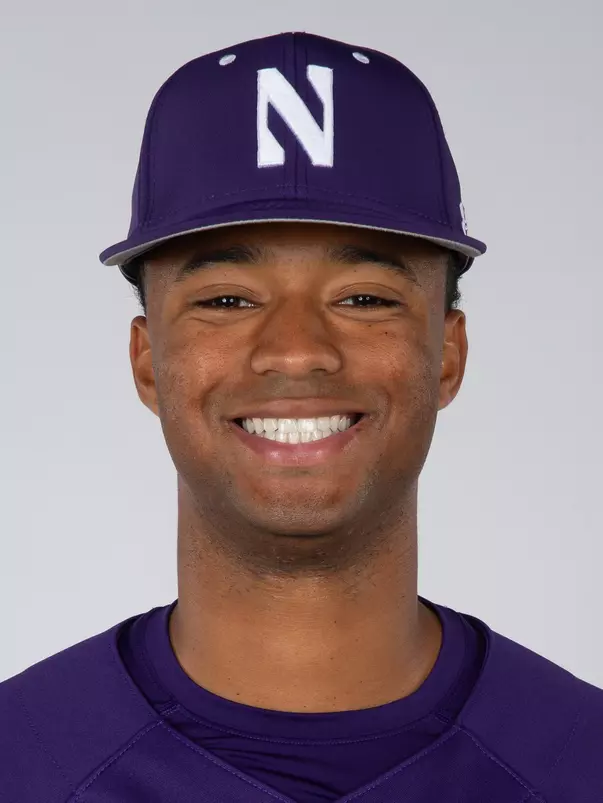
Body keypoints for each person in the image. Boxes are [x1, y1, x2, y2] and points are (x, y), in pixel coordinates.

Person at [1, 31, 601, 803]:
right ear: (147, 359)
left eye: (363, 298)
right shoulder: (22, 759)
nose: (295, 351)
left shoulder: (579, 760)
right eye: (225, 300)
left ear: (445, 353)